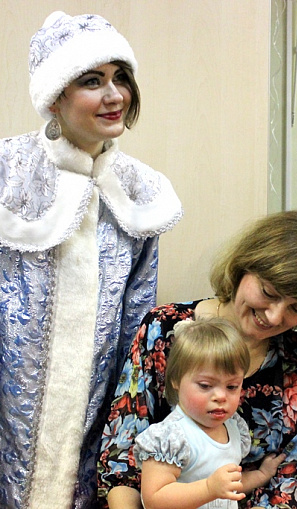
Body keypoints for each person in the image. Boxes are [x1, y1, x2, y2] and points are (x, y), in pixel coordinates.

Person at [0, 11, 182, 509]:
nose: (115, 94)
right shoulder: (7, 173)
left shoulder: (141, 191)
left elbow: (136, 322)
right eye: (92, 81)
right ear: (55, 97)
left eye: (120, 77)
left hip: (95, 421)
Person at [97, 210, 297, 509]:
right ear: (244, 267)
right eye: (268, 292)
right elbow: (120, 459)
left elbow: (295, 476)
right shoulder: (165, 329)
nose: (275, 316)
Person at [135, 317, 286, 509]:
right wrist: (208, 488)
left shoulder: (233, 428)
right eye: (206, 385)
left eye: (232, 386)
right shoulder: (171, 437)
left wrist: (261, 475)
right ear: (176, 380)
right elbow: (154, 499)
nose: (221, 396)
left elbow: (228, 487)